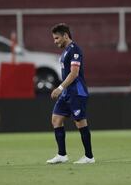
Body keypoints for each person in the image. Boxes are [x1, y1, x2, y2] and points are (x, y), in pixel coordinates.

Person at [46, 23, 94, 164]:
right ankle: (62, 155)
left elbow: (74, 74)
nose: (55, 42)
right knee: (56, 119)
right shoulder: (66, 51)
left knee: (80, 122)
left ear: (65, 36)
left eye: (57, 38)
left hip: (76, 92)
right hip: (67, 92)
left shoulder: (75, 50)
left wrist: (59, 88)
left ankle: (89, 157)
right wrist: (63, 90)